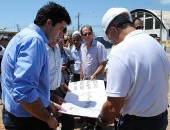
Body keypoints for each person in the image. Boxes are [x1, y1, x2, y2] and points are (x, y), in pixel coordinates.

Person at [1, 2, 71, 130]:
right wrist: (48, 118)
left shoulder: (24, 36)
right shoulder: (35, 41)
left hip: (19, 114)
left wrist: (48, 103)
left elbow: (30, 86)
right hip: (27, 120)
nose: (61, 34)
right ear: (49, 23)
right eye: (61, 28)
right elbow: (24, 92)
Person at [96, 8, 170, 130]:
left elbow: (112, 106)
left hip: (137, 124)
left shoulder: (119, 51)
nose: (112, 42)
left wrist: (101, 120)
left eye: (110, 39)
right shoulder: (155, 43)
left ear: (114, 30)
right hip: (161, 120)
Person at [80, 25, 107, 130]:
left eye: (89, 33)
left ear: (93, 34)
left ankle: (97, 126)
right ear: (82, 36)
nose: (87, 36)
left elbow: (102, 64)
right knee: (87, 105)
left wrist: (94, 75)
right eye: (85, 34)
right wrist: (81, 79)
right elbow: (82, 64)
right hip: (86, 81)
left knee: (97, 106)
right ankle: (89, 125)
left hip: (96, 82)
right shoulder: (82, 47)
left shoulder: (99, 46)